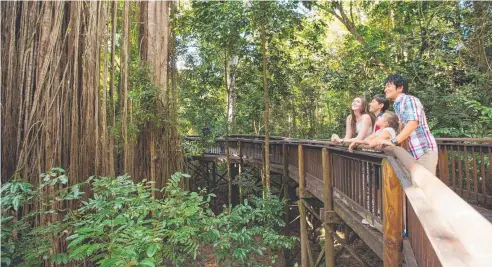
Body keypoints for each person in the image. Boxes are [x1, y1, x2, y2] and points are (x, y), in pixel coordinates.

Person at [379, 74, 438, 175]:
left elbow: (412, 123)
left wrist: (394, 141)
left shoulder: (409, 100)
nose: (385, 89)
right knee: (414, 189)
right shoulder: (398, 105)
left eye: (388, 86)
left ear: (400, 88)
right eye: (385, 86)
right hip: (411, 153)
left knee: (424, 188)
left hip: (423, 151)